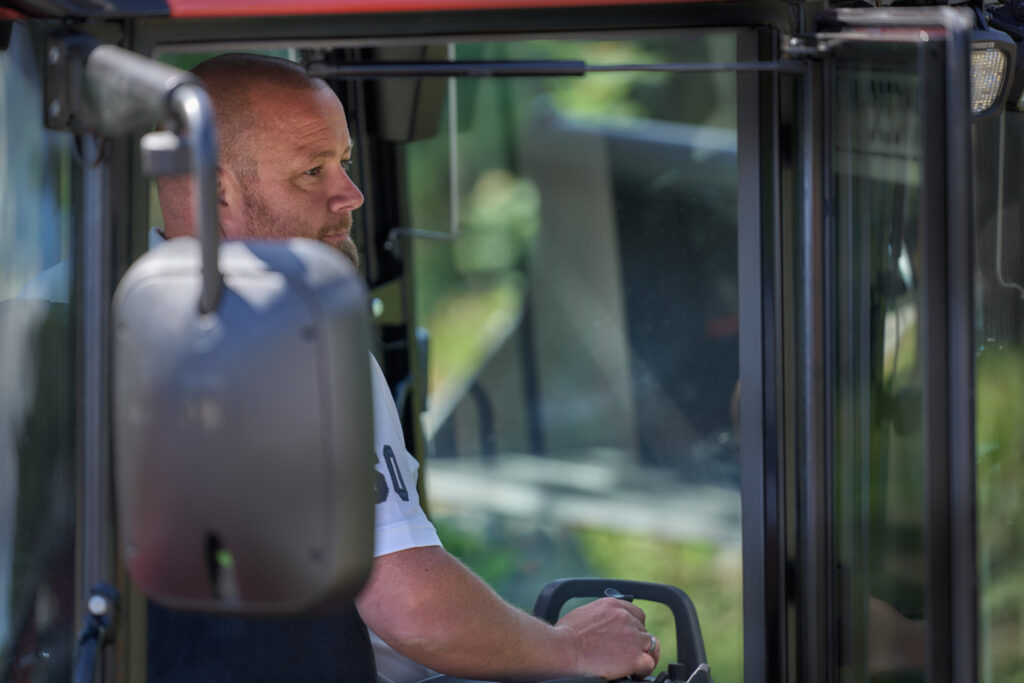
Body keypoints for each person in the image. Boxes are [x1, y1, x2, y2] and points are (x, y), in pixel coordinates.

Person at [153, 53, 661, 683]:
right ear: (216, 189)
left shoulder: (51, 317)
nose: (351, 196)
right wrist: (572, 648)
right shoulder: (293, 343)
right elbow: (415, 610)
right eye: (312, 172)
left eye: (345, 162)